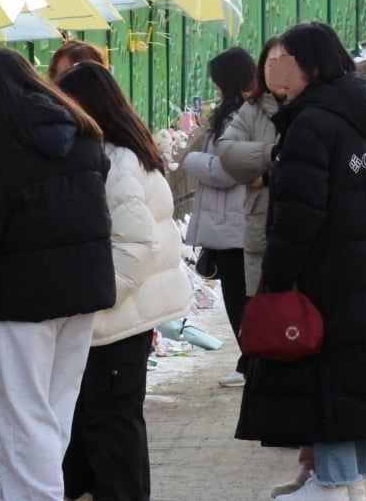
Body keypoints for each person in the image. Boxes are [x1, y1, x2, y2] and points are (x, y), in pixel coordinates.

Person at [236, 22, 366, 501]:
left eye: (283, 59)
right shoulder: (357, 117)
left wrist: (276, 281)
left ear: (312, 64)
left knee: (330, 378)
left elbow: (298, 215)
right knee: (354, 375)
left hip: (326, 276)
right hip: (363, 270)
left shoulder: (312, 123)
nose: (274, 68)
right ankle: (343, 479)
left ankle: (331, 485)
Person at [0, 47, 114, 500]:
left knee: (22, 417)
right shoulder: (83, 134)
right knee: (54, 412)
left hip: (24, 303)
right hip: (83, 294)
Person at [56, 61, 193, 501]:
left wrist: (98, 299)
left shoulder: (117, 161)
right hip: (125, 317)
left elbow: (137, 244)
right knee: (113, 425)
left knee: (113, 430)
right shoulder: (122, 152)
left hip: (117, 319)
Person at [183, 46, 254, 387]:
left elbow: (227, 170)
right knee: (242, 300)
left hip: (234, 225)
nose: (213, 88)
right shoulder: (243, 115)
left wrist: (191, 161)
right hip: (234, 223)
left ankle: (252, 363)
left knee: (240, 301)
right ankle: (250, 362)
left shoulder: (238, 118)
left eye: (216, 81)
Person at [216, 37, 283, 302]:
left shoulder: (316, 108)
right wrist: (274, 153)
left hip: (307, 237)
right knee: (264, 328)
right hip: (260, 231)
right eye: (270, 63)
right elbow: (227, 153)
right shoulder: (252, 109)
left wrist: (268, 174)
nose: (275, 70)